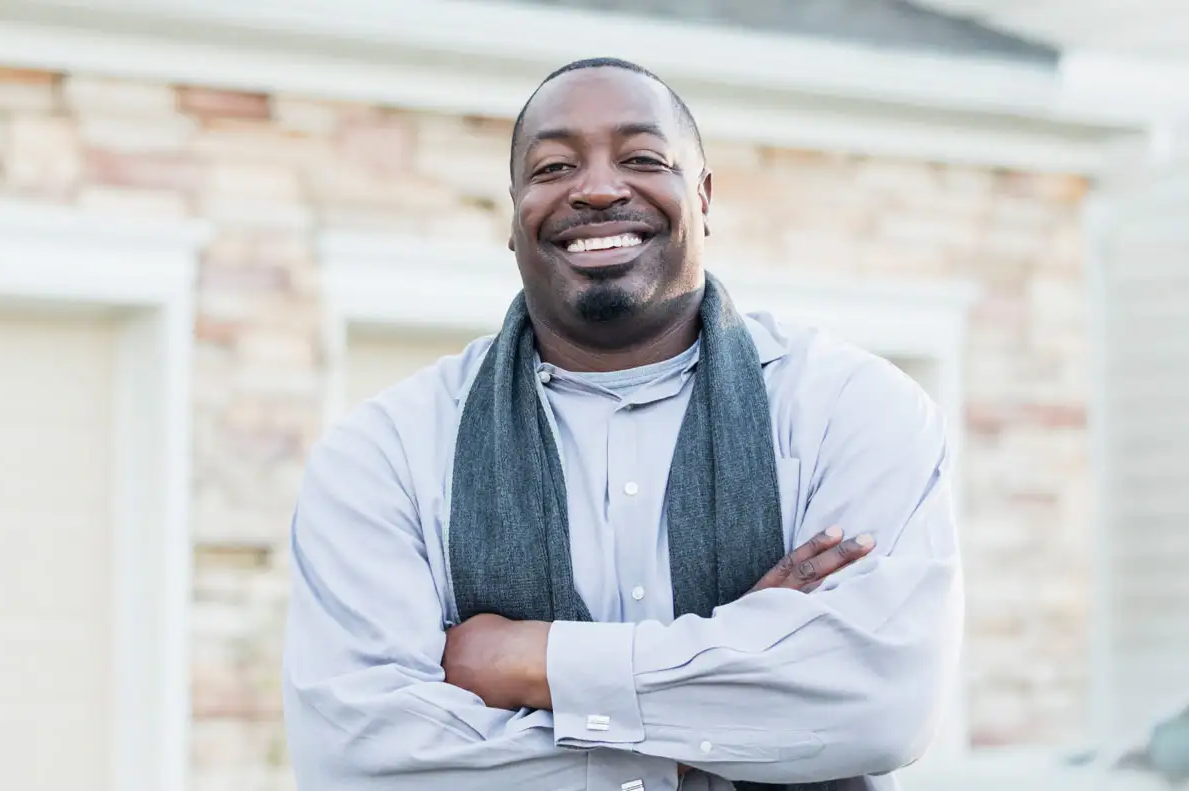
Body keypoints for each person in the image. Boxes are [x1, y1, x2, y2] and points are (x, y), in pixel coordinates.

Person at [281, 57, 963, 791]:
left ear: (702, 197)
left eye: (642, 158)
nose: (599, 188)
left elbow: (877, 705)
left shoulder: (849, 408)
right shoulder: (385, 454)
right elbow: (361, 755)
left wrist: (533, 663)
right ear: (514, 215)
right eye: (553, 167)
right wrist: (726, 704)